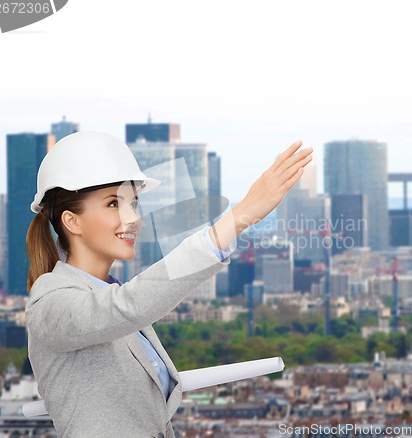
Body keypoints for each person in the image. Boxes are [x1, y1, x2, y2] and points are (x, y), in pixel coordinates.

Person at [25, 131, 313, 438]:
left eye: (133, 204)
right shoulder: (50, 303)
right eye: (113, 204)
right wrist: (240, 216)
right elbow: (131, 304)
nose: (132, 218)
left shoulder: (110, 297)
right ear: (72, 221)